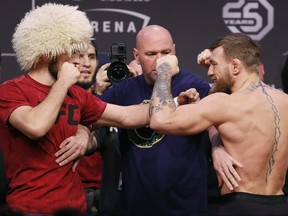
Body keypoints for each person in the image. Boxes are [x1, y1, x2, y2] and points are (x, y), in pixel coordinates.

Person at [0, 3, 150, 215]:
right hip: (29, 208)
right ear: (46, 53)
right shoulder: (11, 91)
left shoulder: (77, 95)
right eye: (70, 52)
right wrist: (63, 82)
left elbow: (127, 116)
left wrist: (174, 102)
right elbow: (36, 126)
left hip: (75, 207)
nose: (76, 60)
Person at [149, 33, 288, 216]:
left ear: (236, 66)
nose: (209, 72)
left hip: (240, 208)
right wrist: (217, 146)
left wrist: (164, 72)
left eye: (214, 65)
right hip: (281, 205)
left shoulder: (224, 103)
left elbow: (160, 120)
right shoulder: (284, 100)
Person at [99, 25, 211, 215]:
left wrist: (219, 149)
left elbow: (221, 120)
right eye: (151, 54)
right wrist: (83, 136)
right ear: (136, 56)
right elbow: (91, 118)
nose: (160, 61)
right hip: (136, 206)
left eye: (166, 53)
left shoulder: (194, 86)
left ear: (174, 51)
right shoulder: (122, 91)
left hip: (187, 207)